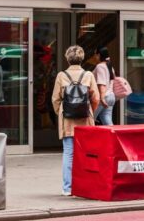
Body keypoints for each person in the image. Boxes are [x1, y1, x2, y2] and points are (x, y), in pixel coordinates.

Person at [52, 45, 99, 197]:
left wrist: (62, 112)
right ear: (82, 58)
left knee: (68, 153)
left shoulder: (61, 75)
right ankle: (86, 185)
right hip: (85, 121)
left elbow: (55, 99)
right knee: (86, 153)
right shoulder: (88, 75)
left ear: (67, 58)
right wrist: (89, 110)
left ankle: (68, 188)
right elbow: (96, 98)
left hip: (68, 120)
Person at [93, 47, 115, 126]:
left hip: (104, 97)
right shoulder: (110, 67)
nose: (94, 57)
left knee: (89, 119)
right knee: (107, 120)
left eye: (95, 54)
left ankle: (86, 138)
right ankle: (113, 137)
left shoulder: (100, 66)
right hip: (111, 96)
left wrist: (102, 98)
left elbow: (101, 83)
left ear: (99, 55)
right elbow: (112, 82)